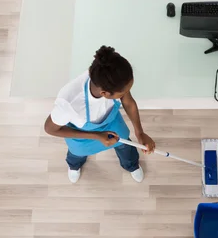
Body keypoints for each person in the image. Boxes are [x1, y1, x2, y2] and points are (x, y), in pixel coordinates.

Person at [44, 45, 155, 184]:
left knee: (125, 146)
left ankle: (131, 165)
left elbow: (128, 102)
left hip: (111, 122)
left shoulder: (111, 79)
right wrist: (96, 136)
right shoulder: (69, 103)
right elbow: (50, 128)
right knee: (76, 154)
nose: (125, 94)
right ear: (104, 94)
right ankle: (74, 165)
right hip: (81, 133)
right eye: (122, 93)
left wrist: (140, 133)